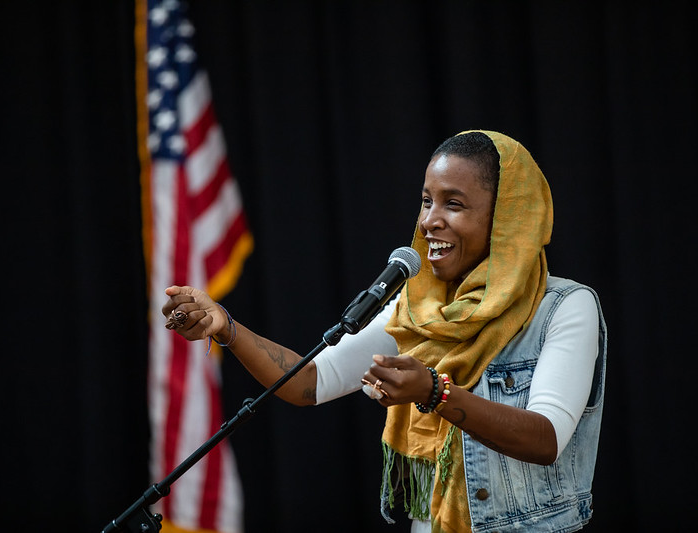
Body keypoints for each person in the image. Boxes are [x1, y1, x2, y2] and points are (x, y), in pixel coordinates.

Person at [162, 130, 607, 532]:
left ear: (508, 217)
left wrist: (434, 391)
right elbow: (308, 382)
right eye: (426, 200)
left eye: (453, 203)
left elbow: (545, 439)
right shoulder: (416, 307)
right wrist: (226, 327)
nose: (430, 220)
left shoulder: (564, 308)